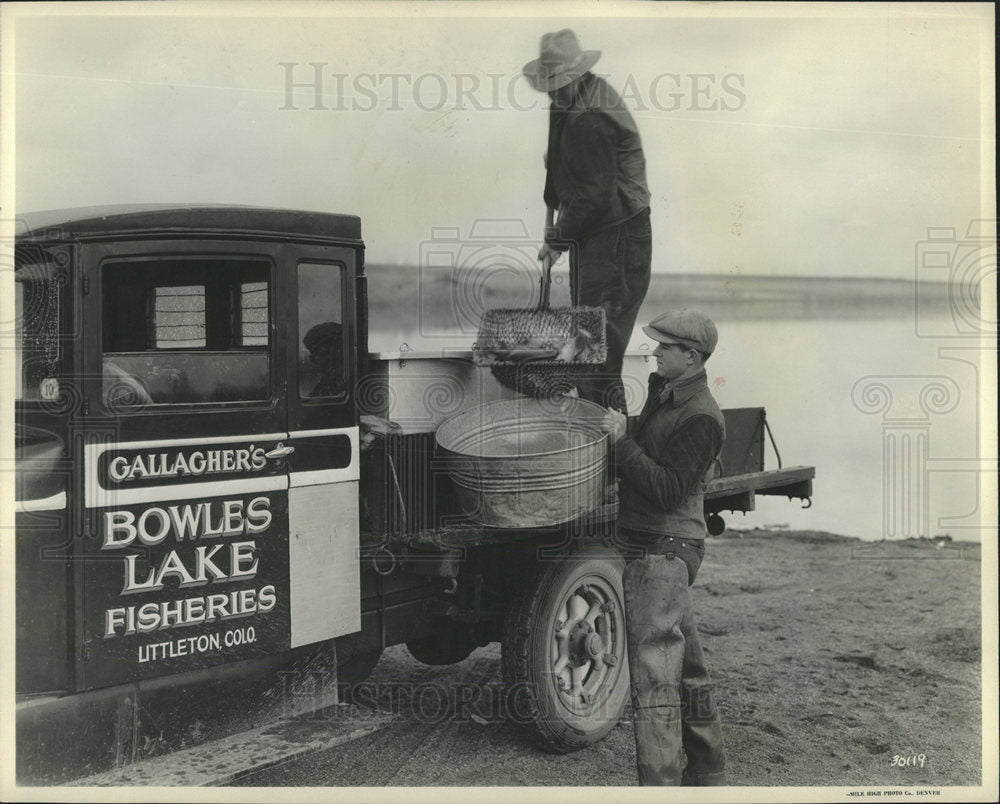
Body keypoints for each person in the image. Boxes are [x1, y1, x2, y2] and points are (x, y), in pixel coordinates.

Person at [600, 308, 727, 786]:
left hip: (666, 551)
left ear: (690, 356)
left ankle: (660, 787)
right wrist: (627, 428)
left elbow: (669, 488)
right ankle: (709, 772)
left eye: (663, 347)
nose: (654, 352)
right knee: (687, 666)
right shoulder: (668, 394)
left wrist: (620, 444)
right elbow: (653, 451)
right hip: (659, 546)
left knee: (654, 679)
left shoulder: (701, 417)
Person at [523, 28, 652, 413]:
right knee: (587, 348)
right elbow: (561, 180)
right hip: (594, 235)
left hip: (619, 237)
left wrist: (557, 239)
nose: (552, 91)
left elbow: (594, 196)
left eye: (559, 83)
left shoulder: (589, 116)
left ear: (578, 74)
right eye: (549, 84)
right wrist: (558, 223)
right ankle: (601, 455)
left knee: (595, 358)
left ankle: (612, 460)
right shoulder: (564, 103)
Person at [303, 321, 345, 397]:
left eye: (325, 353)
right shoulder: (323, 387)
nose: (318, 362)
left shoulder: (349, 384)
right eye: (314, 358)